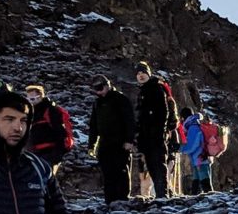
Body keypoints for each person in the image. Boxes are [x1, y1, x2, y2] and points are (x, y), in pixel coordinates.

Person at [134, 63, 179, 199]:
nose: (140, 75)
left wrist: (159, 132)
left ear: (148, 74)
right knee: (152, 165)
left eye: (143, 72)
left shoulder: (156, 89)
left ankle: (162, 194)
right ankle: (161, 194)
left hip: (156, 135)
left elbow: (162, 112)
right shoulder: (143, 91)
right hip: (147, 135)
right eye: (138, 73)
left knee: (158, 164)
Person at [88, 78, 136, 204]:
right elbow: (94, 125)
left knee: (121, 170)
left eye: (101, 87)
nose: (99, 91)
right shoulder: (97, 103)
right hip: (105, 142)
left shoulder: (120, 99)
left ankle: (122, 199)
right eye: (96, 89)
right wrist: (91, 144)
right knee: (107, 173)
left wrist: (129, 140)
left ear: (107, 85)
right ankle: (110, 200)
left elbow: (129, 120)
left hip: (120, 142)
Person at [24, 84, 75, 172]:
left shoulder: (51, 111)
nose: (30, 102)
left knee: (46, 181)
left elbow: (61, 133)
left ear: (40, 97)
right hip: (34, 153)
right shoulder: (30, 113)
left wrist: (56, 156)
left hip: (49, 153)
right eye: (28, 99)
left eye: (32, 99)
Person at [180, 110, 211, 195]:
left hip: (200, 157)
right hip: (198, 158)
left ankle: (211, 198)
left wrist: (180, 149)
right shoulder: (194, 125)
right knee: (196, 180)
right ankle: (194, 198)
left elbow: (192, 146)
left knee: (204, 180)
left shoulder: (193, 127)